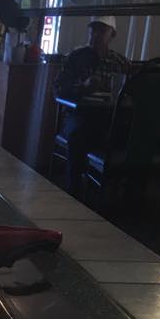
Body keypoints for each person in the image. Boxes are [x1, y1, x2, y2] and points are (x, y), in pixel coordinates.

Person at [54, 16, 130, 198]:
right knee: (79, 133)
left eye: (102, 30)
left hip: (109, 119)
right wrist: (82, 88)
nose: (96, 34)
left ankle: (120, 197)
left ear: (112, 35)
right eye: (93, 29)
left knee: (129, 134)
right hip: (78, 115)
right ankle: (74, 192)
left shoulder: (120, 62)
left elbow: (130, 91)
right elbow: (58, 89)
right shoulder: (76, 57)